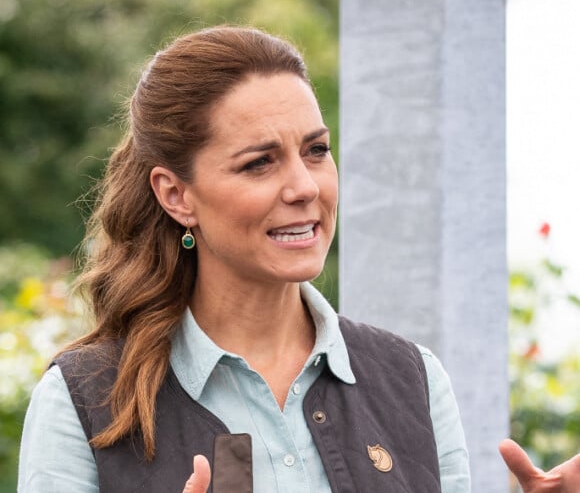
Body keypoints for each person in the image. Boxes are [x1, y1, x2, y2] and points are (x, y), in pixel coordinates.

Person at [17, 26, 579, 493]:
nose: (304, 186)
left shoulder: (414, 380)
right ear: (176, 195)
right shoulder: (83, 399)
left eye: (316, 151)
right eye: (260, 163)